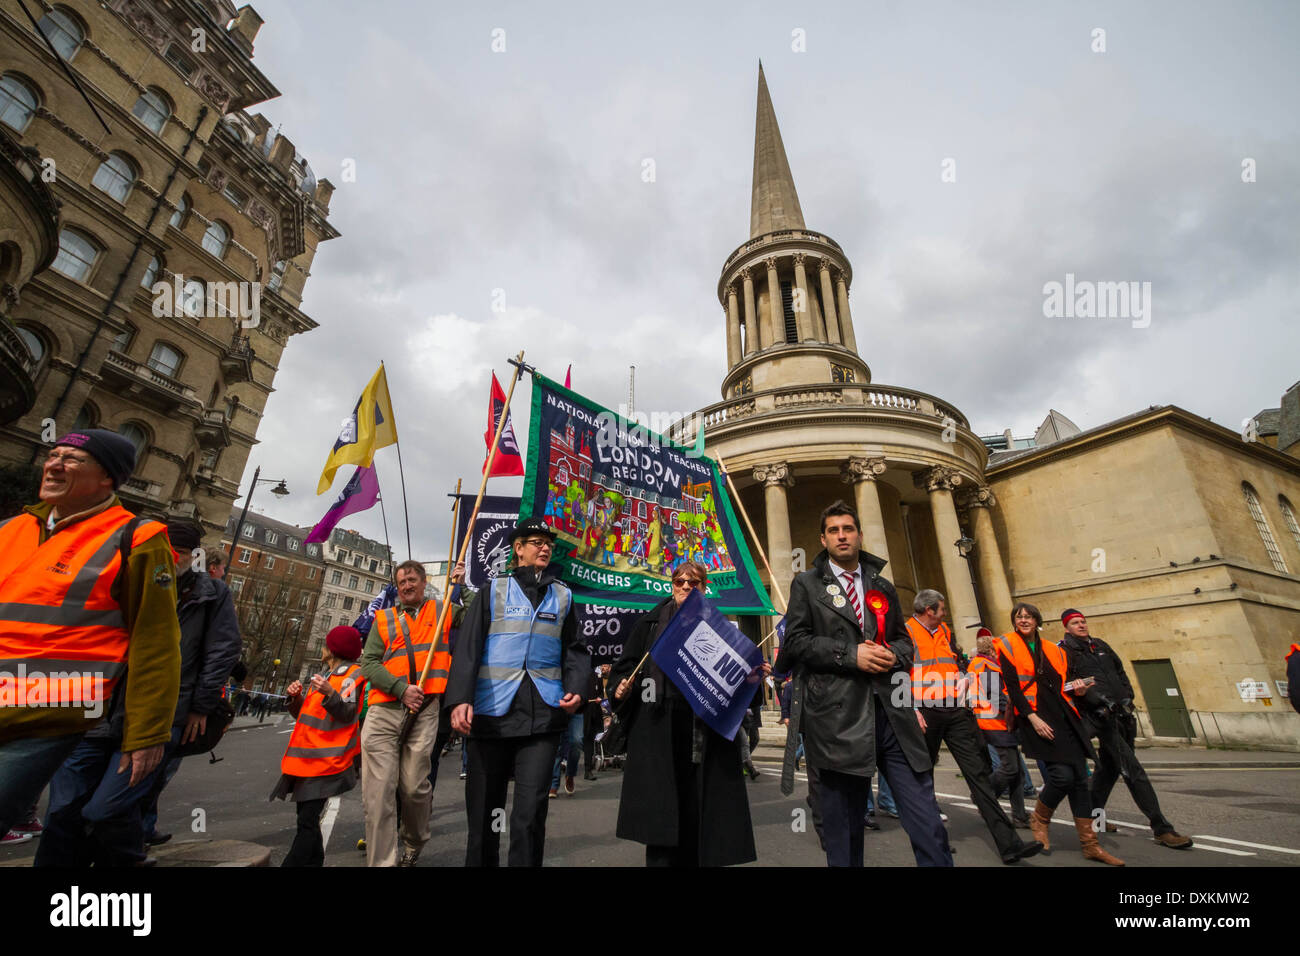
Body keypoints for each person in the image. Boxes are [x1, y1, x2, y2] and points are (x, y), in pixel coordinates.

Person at [0, 430, 181, 844]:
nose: (54, 464)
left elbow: (155, 643)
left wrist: (148, 733)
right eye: (53, 454)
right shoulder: (12, 529)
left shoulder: (137, 538)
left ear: (108, 479)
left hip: (44, 716)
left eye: (73, 459)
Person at [780, 499, 951, 868]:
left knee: (927, 821)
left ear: (859, 535)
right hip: (839, 722)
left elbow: (904, 640)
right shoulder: (806, 585)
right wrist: (849, 654)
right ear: (823, 540)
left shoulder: (882, 586)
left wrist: (895, 655)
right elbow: (795, 642)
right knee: (845, 831)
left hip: (893, 717)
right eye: (834, 531)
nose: (842, 536)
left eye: (848, 529)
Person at [447, 516, 589, 867]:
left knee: (529, 813)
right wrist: (460, 700)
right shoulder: (492, 591)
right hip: (491, 714)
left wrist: (577, 689)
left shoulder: (563, 595)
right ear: (518, 549)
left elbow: (575, 650)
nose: (545, 547)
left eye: (548, 544)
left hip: (543, 716)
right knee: (487, 812)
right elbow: (468, 648)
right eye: (536, 542)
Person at [610, 560, 761, 866]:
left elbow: (746, 687)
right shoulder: (650, 625)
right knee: (662, 821)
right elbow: (624, 669)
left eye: (693, 583)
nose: (685, 588)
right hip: (658, 730)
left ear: (704, 588)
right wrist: (619, 687)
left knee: (700, 818)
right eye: (679, 582)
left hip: (704, 733)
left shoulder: (721, 630)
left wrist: (755, 677)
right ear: (672, 586)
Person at [907, 590, 1040, 863]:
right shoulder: (905, 631)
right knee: (923, 779)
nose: (945, 613)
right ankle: (934, 844)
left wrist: (964, 677)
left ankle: (1010, 845)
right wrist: (911, 709)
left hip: (954, 711)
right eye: (941, 609)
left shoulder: (943, 630)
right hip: (925, 712)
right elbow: (899, 673)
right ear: (929, 610)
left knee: (979, 775)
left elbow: (954, 661)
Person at [135, 521, 242, 849]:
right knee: (152, 771)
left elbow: (220, 645)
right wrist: (201, 704)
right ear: (212, 567)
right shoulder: (185, 589)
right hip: (171, 700)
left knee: (153, 771)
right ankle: (133, 835)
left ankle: (140, 828)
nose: (223, 575)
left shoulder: (211, 595)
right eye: (222, 569)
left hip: (181, 697)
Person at [998, 603, 1123, 866]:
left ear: (1037, 620)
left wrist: (1078, 689)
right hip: (1035, 715)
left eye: (1028, 616)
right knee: (1061, 776)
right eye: (1018, 617)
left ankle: (1091, 845)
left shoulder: (1054, 649)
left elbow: (1063, 683)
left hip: (1065, 714)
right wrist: (1032, 718)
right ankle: (1040, 818)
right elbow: (1013, 688)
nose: (1023, 620)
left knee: (1079, 778)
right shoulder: (1006, 645)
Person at [1058, 609, 1192, 849]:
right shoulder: (1065, 651)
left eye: (1083, 621)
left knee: (1108, 770)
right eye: (1075, 623)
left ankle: (1092, 819)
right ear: (1066, 627)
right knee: (1133, 770)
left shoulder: (1100, 645)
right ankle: (1162, 828)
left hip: (1122, 714)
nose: (1081, 625)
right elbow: (1067, 684)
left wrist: (1128, 696)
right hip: (1099, 717)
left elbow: (1120, 672)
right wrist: (1096, 700)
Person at [358, 559, 449, 867]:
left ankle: (414, 840)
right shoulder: (383, 619)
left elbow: (479, 613)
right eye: (401, 582)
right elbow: (368, 663)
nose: (407, 585)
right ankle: (382, 862)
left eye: (412, 579)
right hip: (384, 710)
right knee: (379, 793)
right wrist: (400, 689)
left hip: (424, 710)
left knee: (413, 787)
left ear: (424, 582)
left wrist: (462, 583)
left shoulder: (442, 609)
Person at [271, 627, 366, 866]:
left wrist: (331, 693)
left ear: (334, 649)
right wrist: (296, 699)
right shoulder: (326, 675)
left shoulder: (352, 675)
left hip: (327, 761)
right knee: (307, 822)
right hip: (308, 760)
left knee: (306, 823)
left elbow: (348, 713)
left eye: (326, 644)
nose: (322, 647)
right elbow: (308, 715)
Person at [967, 630, 1031, 828]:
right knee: (1010, 768)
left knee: (1017, 771)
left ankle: (1019, 816)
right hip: (996, 722)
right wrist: (1014, 714)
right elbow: (996, 695)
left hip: (995, 722)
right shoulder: (986, 666)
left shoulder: (981, 664)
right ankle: (983, 797)